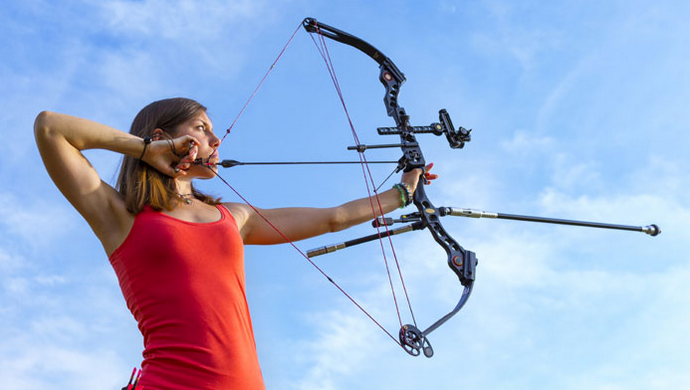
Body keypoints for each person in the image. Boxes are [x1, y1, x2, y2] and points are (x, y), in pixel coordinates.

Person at [34, 97, 435, 390]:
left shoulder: (234, 218)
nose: (215, 138)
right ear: (162, 136)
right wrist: (143, 150)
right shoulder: (119, 215)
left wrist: (403, 191)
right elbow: (51, 128)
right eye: (201, 128)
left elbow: (333, 218)